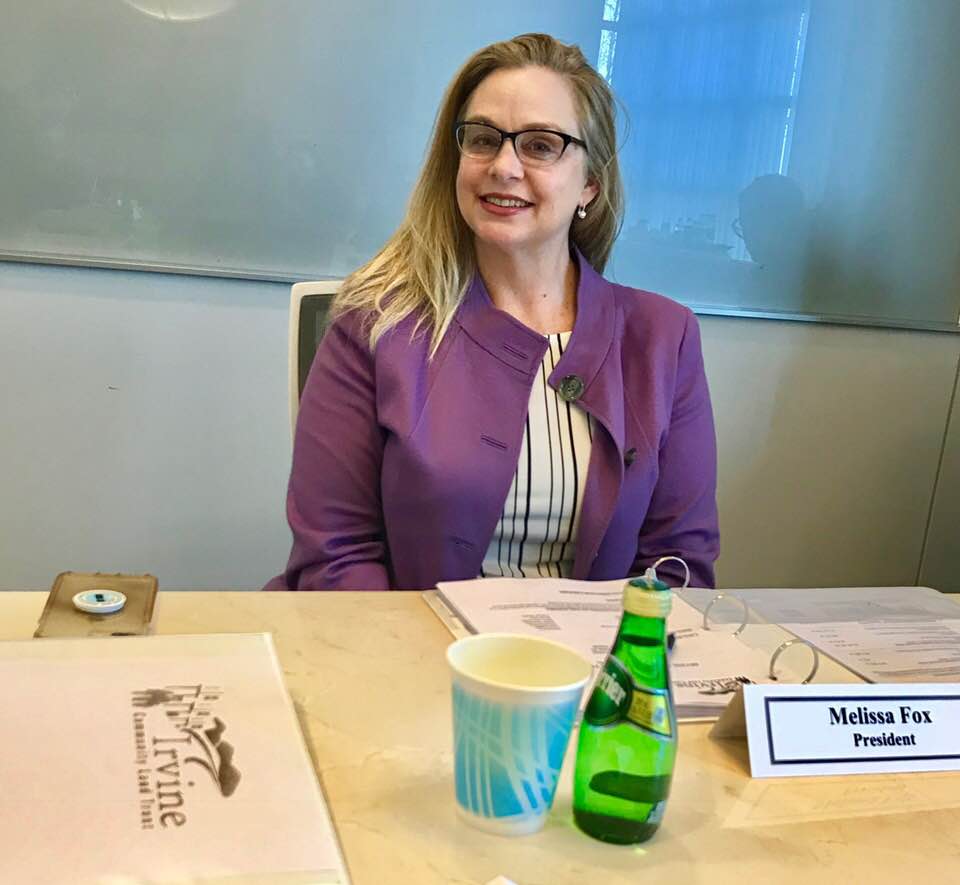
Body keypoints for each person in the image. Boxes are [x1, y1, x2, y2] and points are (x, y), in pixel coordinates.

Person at [266, 33, 719, 592]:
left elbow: (676, 565)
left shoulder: (664, 337)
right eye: (483, 139)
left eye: (541, 145)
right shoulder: (374, 323)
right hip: (407, 639)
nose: (504, 166)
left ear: (590, 184)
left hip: (598, 647)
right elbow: (336, 554)